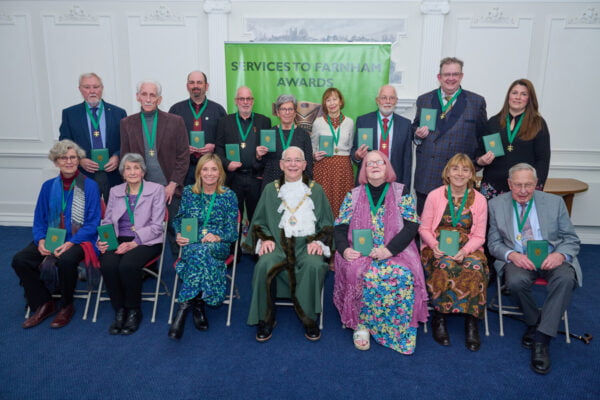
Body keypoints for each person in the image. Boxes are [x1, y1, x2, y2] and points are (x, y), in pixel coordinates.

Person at [488, 163, 580, 375]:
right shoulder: (496, 205)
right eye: (518, 185)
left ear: (537, 184)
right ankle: (534, 321)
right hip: (520, 259)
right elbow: (493, 243)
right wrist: (512, 255)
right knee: (514, 282)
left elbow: (571, 239)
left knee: (566, 279)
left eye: (528, 185)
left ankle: (541, 339)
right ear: (509, 184)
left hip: (551, 257)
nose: (523, 190)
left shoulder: (555, 202)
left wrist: (559, 255)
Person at [333, 150, 428, 354]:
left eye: (380, 162)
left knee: (401, 275)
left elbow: (412, 226)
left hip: (395, 250)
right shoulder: (353, 194)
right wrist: (345, 249)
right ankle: (361, 325)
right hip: (360, 252)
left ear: (387, 167)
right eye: (369, 163)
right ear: (364, 170)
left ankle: (397, 330)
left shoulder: (401, 192)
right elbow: (340, 228)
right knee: (360, 273)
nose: (375, 166)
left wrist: (389, 250)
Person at [245, 146, 333, 342]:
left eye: (297, 160)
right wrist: (264, 238)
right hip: (277, 246)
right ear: (281, 165)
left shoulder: (316, 190)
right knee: (264, 265)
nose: (293, 164)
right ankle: (266, 318)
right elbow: (258, 221)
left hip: (306, 247)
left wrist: (319, 241)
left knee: (314, 265)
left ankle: (309, 318)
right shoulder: (270, 189)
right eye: (288, 160)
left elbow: (327, 223)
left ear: (304, 165)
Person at [12, 140, 101, 329]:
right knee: (20, 259)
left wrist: (70, 243)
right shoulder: (47, 187)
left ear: (78, 160)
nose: (69, 162)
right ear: (56, 162)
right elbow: (39, 220)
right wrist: (41, 240)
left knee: (66, 260)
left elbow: (93, 223)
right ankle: (44, 302)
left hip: (80, 239)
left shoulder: (90, 186)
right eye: (63, 158)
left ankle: (66, 306)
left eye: (73, 158)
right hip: (52, 237)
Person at [419, 153, 488, 351]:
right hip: (437, 246)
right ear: (447, 173)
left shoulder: (480, 200)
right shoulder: (435, 195)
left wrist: (465, 251)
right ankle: (440, 318)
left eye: (465, 169)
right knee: (445, 265)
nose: (460, 173)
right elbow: (423, 228)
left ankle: (471, 321)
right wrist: (434, 246)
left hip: (468, 247)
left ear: (471, 175)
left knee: (475, 268)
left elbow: (480, 236)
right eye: (455, 169)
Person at [169, 154, 238, 339]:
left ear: (220, 173)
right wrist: (179, 233)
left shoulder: (229, 195)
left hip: (218, 245)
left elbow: (232, 232)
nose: (209, 173)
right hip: (193, 241)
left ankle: (183, 309)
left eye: (213, 169)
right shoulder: (190, 192)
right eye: (205, 169)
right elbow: (179, 219)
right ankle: (198, 304)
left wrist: (217, 236)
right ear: (199, 172)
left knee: (202, 252)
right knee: (199, 252)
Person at [120, 79, 189, 259]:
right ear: (138, 97)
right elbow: (126, 158)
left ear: (159, 99)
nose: (148, 98)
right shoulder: (127, 123)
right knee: (142, 230)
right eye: (144, 94)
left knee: (176, 229)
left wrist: (173, 184)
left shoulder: (175, 121)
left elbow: (183, 156)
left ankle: (181, 268)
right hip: (141, 190)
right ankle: (144, 267)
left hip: (170, 188)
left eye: (153, 95)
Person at [97, 153, 165, 335]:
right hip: (118, 238)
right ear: (122, 173)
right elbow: (107, 221)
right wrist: (103, 240)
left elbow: (157, 226)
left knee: (127, 265)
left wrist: (134, 243)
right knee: (108, 265)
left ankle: (134, 310)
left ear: (143, 172)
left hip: (147, 240)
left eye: (136, 168)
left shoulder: (156, 189)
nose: (132, 172)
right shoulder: (115, 191)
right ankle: (119, 310)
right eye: (128, 168)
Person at [413, 57, 487, 215]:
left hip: (459, 178)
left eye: (455, 74)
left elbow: (482, 137)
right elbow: (415, 126)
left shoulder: (476, 102)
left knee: (456, 226)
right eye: (447, 74)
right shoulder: (424, 100)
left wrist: (478, 162)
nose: (451, 78)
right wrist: (417, 134)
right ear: (439, 77)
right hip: (428, 176)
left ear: (461, 76)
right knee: (426, 226)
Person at [477, 79, 551, 199]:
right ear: (508, 96)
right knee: (492, 218)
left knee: (519, 218)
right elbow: (480, 152)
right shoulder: (493, 122)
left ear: (529, 99)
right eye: (514, 93)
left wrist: (535, 189)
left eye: (523, 94)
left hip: (522, 189)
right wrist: (481, 160)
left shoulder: (538, 124)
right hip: (492, 186)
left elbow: (543, 160)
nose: (518, 97)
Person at [59, 73, 127, 201]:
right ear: (80, 89)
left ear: (102, 88)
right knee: (85, 215)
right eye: (87, 87)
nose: (92, 91)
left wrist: (118, 156)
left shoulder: (118, 113)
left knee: (117, 215)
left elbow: (126, 142)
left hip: (114, 174)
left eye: (96, 87)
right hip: (83, 174)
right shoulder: (70, 114)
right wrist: (79, 160)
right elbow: (64, 144)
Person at [215, 86, 271, 222]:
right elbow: (218, 149)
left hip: (255, 178)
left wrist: (259, 157)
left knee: (257, 217)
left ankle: (255, 243)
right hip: (233, 178)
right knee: (233, 217)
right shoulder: (225, 122)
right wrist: (227, 164)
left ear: (253, 101)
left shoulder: (264, 121)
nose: (245, 102)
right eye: (241, 99)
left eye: (248, 99)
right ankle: (236, 244)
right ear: (236, 101)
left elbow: (269, 150)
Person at [169, 71, 227, 186]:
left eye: (199, 82)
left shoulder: (218, 110)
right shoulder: (176, 110)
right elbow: (168, 140)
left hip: (211, 169)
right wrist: (182, 148)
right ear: (187, 86)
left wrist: (214, 146)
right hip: (184, 169)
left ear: (206, 86)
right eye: (192, 83)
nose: (195, 86)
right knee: (186, 202)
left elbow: (226, 138)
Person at [352, 85, 413, 190]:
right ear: (377, 100)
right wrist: (357, 156)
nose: (388, 101)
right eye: (384, 97)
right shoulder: (363, 121)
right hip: (369, 179)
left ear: (396, 101)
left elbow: (407, 161)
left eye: (392, 98)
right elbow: (354, 151)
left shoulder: (405, 124)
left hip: (395, 181)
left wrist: (405, 188)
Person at [311, 88, 355, 215]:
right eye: (328, 100)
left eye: (334, 99)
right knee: (323, 201)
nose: (332, 103)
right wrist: (314, 155)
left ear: (340, 101)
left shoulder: (350, 122)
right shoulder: (318, 123)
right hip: (323, 167)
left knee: (343, 202)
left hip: (343, 168)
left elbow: (351, 147)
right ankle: (323, 231)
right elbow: (313, 146)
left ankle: (340, 231)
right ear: (325, 104)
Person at [260, 94, 313, 190]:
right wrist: (258, 156)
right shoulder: (269, 134)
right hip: (272, 183)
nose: (287, 112)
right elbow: (261, 164)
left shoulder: (304, 135)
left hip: (297, 184)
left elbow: (308, 166)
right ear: (278, 112)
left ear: (295, 112)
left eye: (290, 109)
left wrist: (305, 188)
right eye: (283, 109)